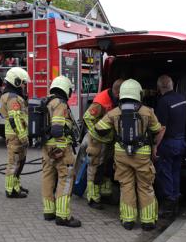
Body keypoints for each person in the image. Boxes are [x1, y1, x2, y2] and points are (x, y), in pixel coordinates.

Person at [95, 79, 166, 231]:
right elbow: (157, 129)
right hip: (142, 154)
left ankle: (128, 220)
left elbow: (99, 128)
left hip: (121, 154)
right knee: (145, 186)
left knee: (126, 186)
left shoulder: (115, 112)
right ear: (138, 94)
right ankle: (147, 221)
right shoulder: (147, 111)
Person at [41, 76, 81, 227]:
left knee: (47, 176)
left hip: (46, 147)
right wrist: (61, 147)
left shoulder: (47, 101)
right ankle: (63, 216)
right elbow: (57, 129)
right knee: (66, 177)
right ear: (66, 89)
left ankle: (49, 211)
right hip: (59, 147)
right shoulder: (60, 104)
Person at [83, 79, 123, 209]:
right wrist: (96, 134)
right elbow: (87, 117)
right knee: (94, 168)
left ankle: (105, 194)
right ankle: (92, 198)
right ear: (118, 93)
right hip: (98, 142)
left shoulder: (115, 98)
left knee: (106, 168)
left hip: (108, 141)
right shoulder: (101, 102)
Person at [155, 75, 186, 219]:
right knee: (175, 172)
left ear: (159, 87)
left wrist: (155, 146)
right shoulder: (182, 98)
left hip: (168, 144)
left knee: (165, 173)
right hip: (181, 142)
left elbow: (162, 128)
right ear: (172, 84)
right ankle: (176, 201)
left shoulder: (163, 102)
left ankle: (168, 206)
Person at [0, 67, 30, 199]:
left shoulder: (11, 95)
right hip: (16, 136)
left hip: (16, 135)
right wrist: (23, 137)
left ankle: (16, 184)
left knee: (20, 161)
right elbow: (15, 119)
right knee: (14, 162)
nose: (24, 85)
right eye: (23, 82)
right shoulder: (13, 98)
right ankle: (11, 190)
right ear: (16, 81)